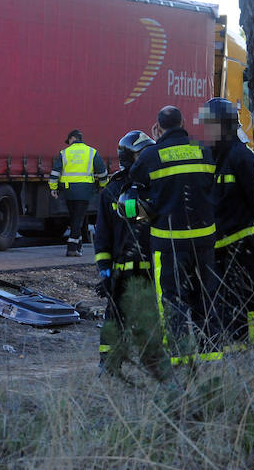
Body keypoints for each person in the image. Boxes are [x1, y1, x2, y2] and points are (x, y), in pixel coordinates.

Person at [128, 106, 219, 357]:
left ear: (158, 128)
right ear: (183, 123)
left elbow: (134, 198)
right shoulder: (203, 151)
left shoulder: (151, 156)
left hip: (169, 244)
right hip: (204, 240)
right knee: (206, 297)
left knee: (171, 299)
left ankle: (179, 356)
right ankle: (212, 354)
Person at [198, 97, 254, 344]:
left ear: (224, 125)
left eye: (210, 125)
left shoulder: (242, 158)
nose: (206, 131)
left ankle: (252, 352)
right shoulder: (211, 158)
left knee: (248, 302)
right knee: (223, 306)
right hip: (218, 250)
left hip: (244, 249)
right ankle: (233, 351)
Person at [93, 130, 155, 368]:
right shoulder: (113, 190)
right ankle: (108, 366)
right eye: (144, 154)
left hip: (152, 268)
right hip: (124, 272)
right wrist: (105, 271)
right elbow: (103, 236)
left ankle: (153, 367)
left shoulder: (153, 185)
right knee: (115, 320)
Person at [49, 129, 108, 257]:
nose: (68, 143)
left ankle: (78, 247)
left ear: (73, 138)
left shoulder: (64, 153)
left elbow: (55, 172)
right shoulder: (92, 152)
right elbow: (102, 171)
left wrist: (53, 188)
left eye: (69, 141)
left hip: (68, 190)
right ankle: (71, 248)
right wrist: (103, 186)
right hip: (85, 191)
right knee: (78, 218)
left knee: (75, 217)